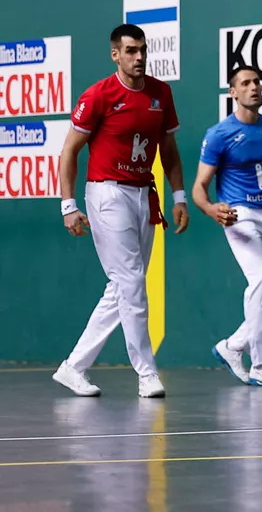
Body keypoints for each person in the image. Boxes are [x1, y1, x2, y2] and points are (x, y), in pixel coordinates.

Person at [54, 24, 188, 398]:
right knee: (131, 282)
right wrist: (69, 206)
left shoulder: (161, 93)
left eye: (143, 49)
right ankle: (146, 373)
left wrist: (179, 196)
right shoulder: (99, 95)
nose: (139, 57)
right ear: (116, 54)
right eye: (130, 51)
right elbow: (69, 151)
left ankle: (73, 367)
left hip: (144, 196)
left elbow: (169, 150)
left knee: (123, 287)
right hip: (107, 195)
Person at [193, 64, 262, 388]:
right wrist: (210, 209)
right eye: (245, 83)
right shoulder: (219, 134)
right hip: (241, 216)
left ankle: (232, 346)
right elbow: (199, 186)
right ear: (233, 92)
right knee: (261, 279)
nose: (253, 87)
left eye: (257, 81)